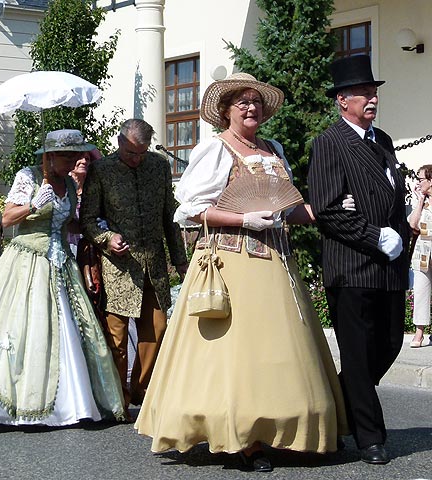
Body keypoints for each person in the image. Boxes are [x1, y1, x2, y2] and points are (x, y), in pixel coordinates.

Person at [135, 73, 348, 472]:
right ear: (226, 110)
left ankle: (283, 428)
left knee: (278, 349)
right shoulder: (215, 149)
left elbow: (288, 209)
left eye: (256, 102)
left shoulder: (273, 149)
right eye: (243, 103)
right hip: (231, 261)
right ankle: (239, 437)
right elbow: (190, 210)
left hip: (275, 262)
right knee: (234, 352)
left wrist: (331, 210)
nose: (252, 109)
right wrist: (243, 218)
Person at [0, 129, 126, 425]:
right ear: (50, 156)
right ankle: (16, 399)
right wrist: (34, 204)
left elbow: (66, 224)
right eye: (68, 156)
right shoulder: (27, 176)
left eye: (77, 155)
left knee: (68, 328)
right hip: (27, 261)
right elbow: (7, 218)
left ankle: (73, 402)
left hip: (61, 263)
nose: (75, 160)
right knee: (26, 327)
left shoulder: (67, 181)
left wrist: (99, 227)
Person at [308, 55, 410, 465]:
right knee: (357, 352)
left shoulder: (381, 140)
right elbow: (328, 208)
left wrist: (398, 237)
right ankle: (370, 436)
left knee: (389, 343)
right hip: (352, 265)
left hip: (388, 266)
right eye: (364, 93)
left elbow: (392, 198)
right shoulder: (331, 142)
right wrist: (374, 235)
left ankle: (335, 410)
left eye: (374, 92)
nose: (372, 99)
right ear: (342, 101)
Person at [80, 118, 188, 415]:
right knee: (116, 335)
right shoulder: (101, 170)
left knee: (157, 327)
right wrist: (106, 238)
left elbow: (170, 216)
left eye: (141, 153)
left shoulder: (159, 166)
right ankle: (118, 399)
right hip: (119, 266)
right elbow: (88, 219)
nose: (136, 159)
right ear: (119, 143)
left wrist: (180, 260)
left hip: (153, 264)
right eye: (130, 153)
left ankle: (140, 390)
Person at [407, 164, 432, 347]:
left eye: (421, 179)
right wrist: (420, 200)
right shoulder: (422, 203)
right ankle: (419, 333)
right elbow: (413, 226)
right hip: (423, 254)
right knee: (421, 292)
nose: (418, 182)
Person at [67, 147, 102, 256]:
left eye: (87, 158)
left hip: (91, 246)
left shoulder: (94, 188)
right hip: (68, 244)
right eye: (79, 158)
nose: (84, 161)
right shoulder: (63, 187)